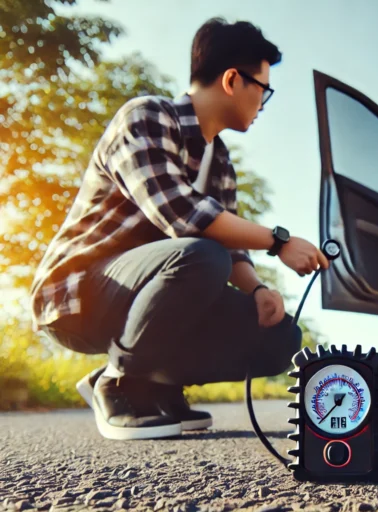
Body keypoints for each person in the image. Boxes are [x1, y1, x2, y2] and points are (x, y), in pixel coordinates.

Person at [28, 18, 329, 440]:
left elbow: (234, 253)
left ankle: (158, 382)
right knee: (203, 254)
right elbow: (183, 216)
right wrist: (279, 242)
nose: (264, 102)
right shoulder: (147, 116)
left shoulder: (219, 161)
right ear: (232, 80)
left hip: (154, 290)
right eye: (264, 89)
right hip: (80, 294)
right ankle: (119, 382)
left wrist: (259, 292)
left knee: (280, 337)